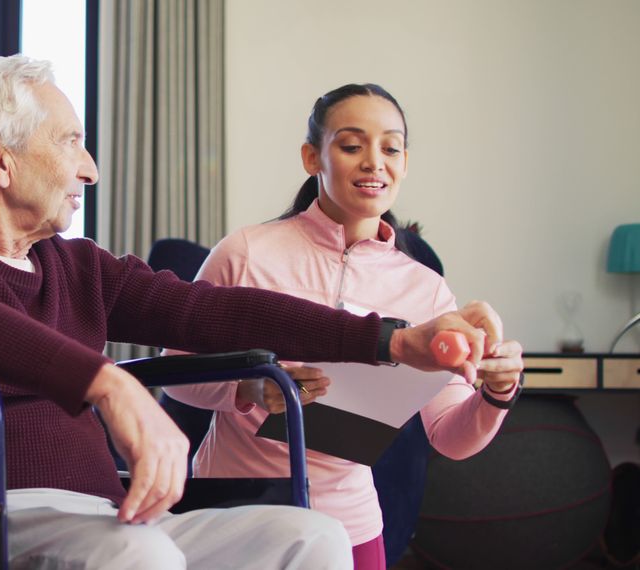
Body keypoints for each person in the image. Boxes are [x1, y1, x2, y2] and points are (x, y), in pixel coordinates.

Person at [0, 56, 510, 569]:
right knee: (145, 556)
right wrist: (103, 380)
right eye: (70, 142)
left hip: (109, 516)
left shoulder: (77, 266)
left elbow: (212, 312)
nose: (90, 168)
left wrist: (391, 342)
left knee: (310, 539)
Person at [162, 83, 525, 569]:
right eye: (352, 146)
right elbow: (176, 375)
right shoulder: (245, 253)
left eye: (391, 147)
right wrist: (248, 388)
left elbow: (450, 438)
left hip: (349, 524)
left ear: (404, 162)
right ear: (313, 157)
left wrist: (497, 392)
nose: (375, 162)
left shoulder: (426, 290)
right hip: (233, 509)